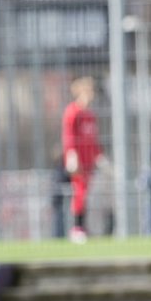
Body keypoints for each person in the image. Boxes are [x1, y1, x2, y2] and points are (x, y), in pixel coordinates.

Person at [61, 76, 102, 243]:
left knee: (86, 194)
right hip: (77, 162)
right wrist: (72, 155)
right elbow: (69, 136)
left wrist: (99, 157)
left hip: (88, 163)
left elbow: (93, 140)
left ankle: (83, 227)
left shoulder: (90, 115)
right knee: (79, 193)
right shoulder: (72, 112)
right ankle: (76, 228)